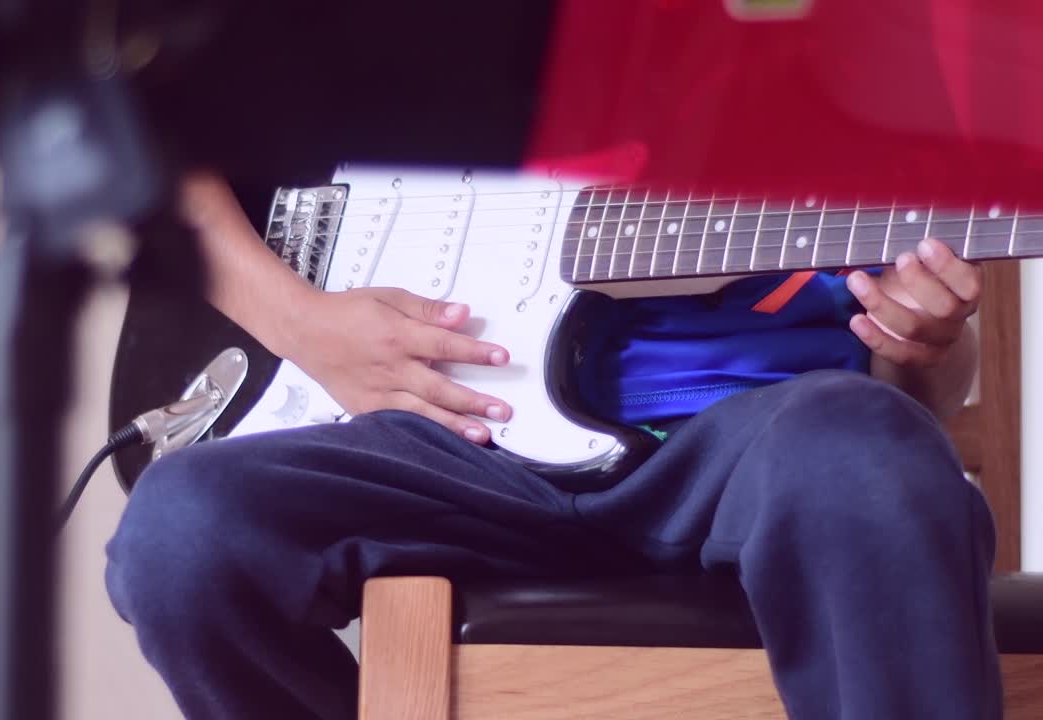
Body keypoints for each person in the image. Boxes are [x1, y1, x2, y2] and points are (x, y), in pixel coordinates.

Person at [103, 172, 1001, 719]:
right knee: (178, 533)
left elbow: (919, 394)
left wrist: (919, 343)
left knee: (867, 447)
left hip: (755, 438)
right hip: (445, 441)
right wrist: (303, 324)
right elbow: (148, 124)